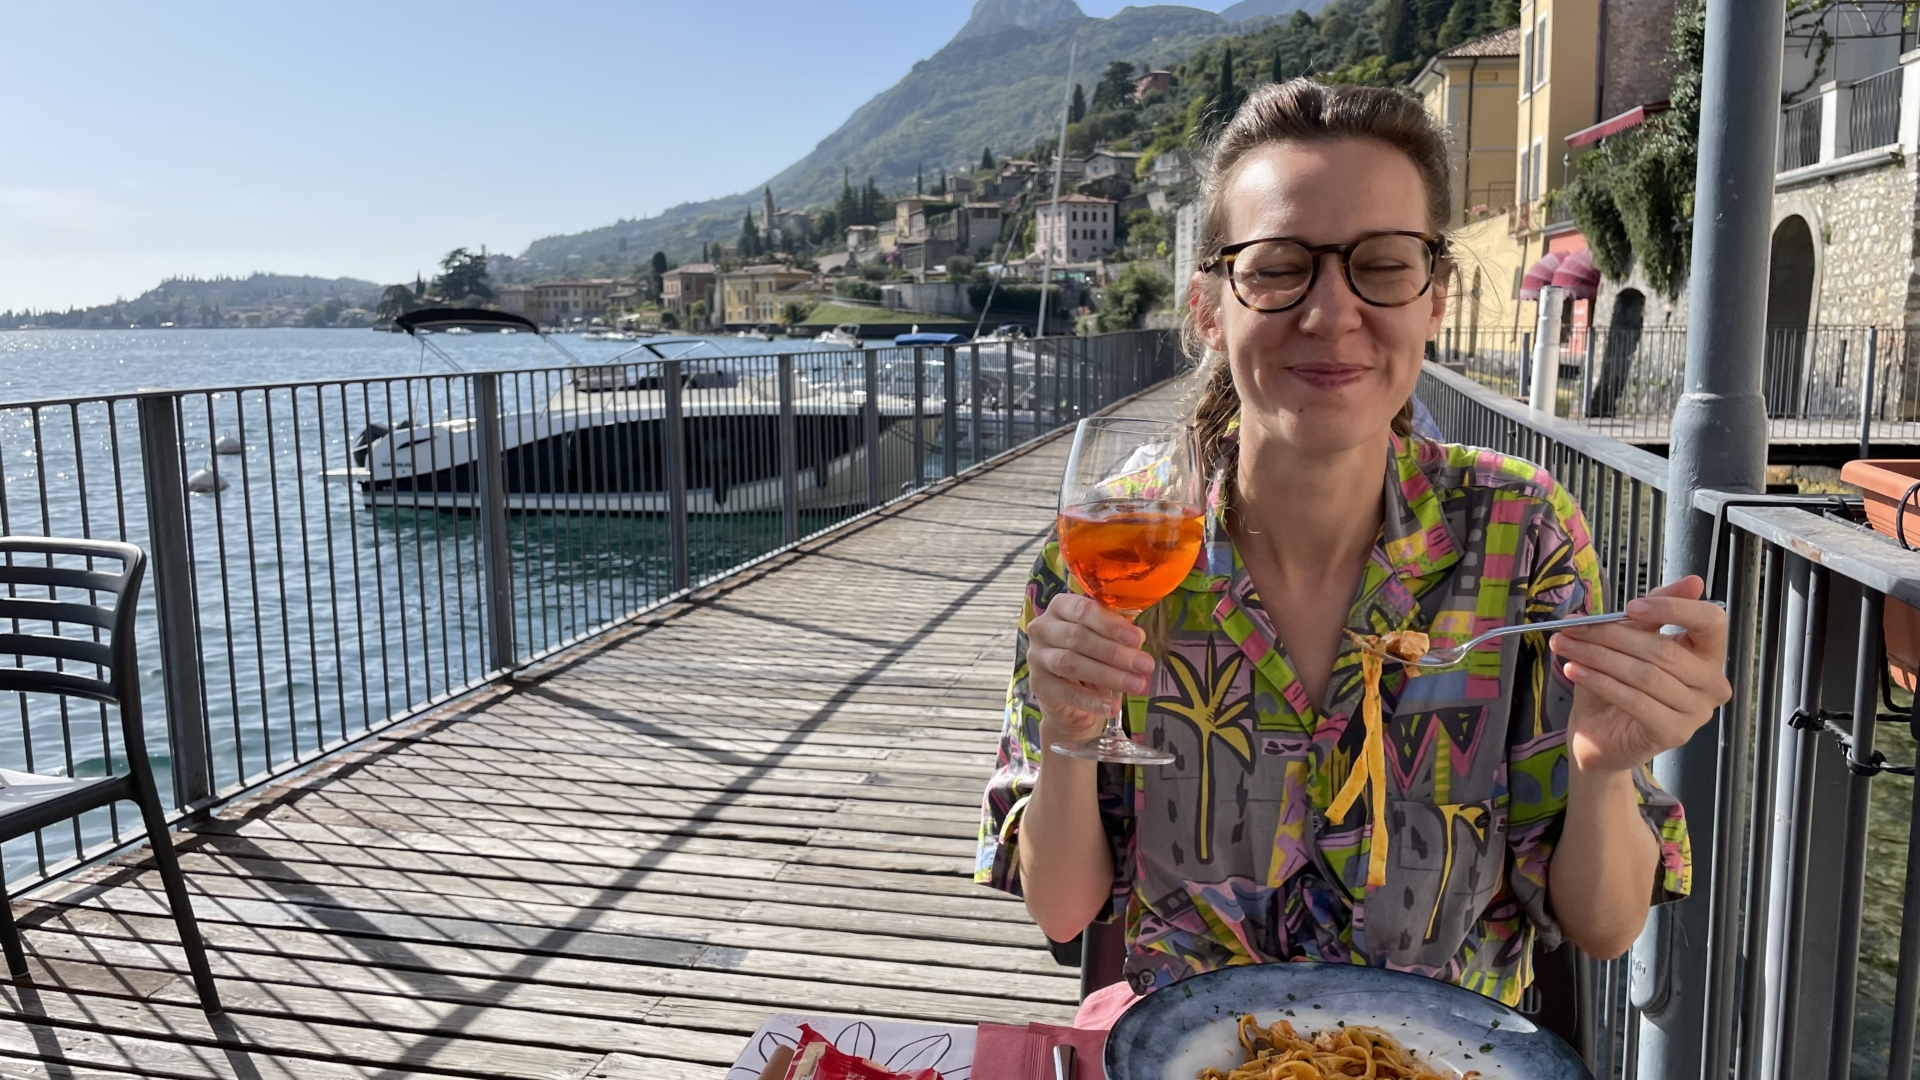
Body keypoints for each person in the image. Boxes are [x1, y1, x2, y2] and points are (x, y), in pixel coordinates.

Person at [974, 80, 1730, 1026]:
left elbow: (1605, 926)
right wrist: (1072, 736)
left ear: (1435, 299)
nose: (1331, 315)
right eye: (1280, 266)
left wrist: (1605, 766)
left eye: (1380, 265)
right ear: (1210, 308)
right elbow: (1063, 906)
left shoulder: (1521, 533)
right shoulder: (1106, 555)